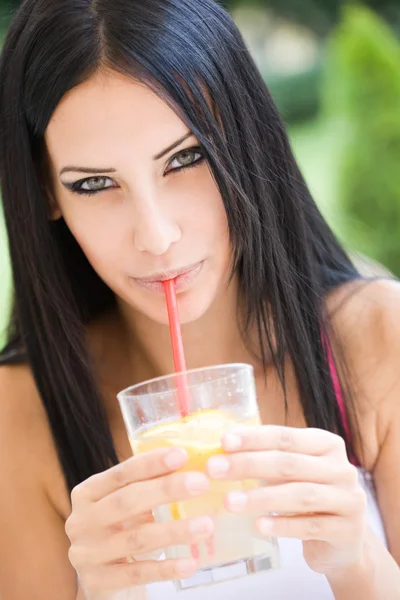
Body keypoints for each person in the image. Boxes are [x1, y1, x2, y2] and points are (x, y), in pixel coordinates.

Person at [0, 0, 399, 598]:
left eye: (186, 158)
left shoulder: (378, 340)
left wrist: (361, 565)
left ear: (244, 143)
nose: (157, 236)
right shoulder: (20, 413)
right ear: (45, 193)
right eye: (94, 183)